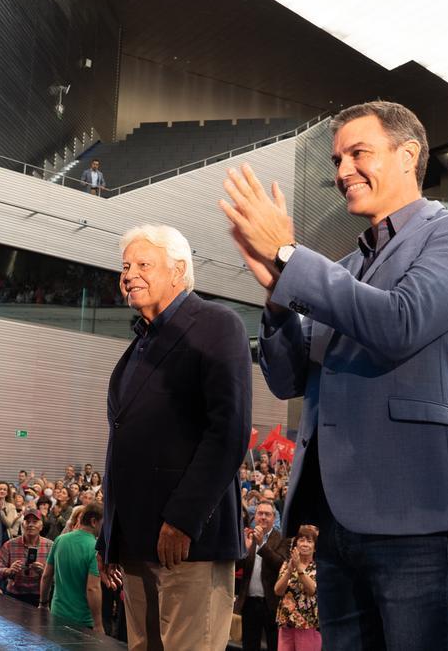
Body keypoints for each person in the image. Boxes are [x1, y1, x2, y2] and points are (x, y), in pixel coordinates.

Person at [221, 100, 448, 649]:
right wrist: (277, 298)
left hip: (423, 515)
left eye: (358, 153)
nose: (342, 170)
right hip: (337, 521)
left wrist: (288, 253)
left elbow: (400, 322)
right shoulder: (342, 271)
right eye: (337, 159)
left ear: (409, 156)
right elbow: (289, 381)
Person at [96, 224, 252, 651]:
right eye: (125, 267)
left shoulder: (216, 325)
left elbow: (230, 430)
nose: (128, 274)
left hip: (187, 545)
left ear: (179, 271)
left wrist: (184, 518)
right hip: (134, 543)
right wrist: (109, 534)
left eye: (143, 264)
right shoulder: (137, 347)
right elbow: (120, 448)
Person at [41, 502, 104, 631]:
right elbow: (93, 588)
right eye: (104, 523)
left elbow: (46, 576)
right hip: (82, 620)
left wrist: (43, 603)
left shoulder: (60, 540)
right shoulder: (96, 549)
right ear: (93, 521)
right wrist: (98, 624)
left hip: (57, 613)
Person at [237, 501, 290, 651]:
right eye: (260, 513)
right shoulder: (247, 536)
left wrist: (261, 545)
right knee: (249, 645)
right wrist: (245, 551)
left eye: (267, 514)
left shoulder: (282, 538)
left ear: (274, 518)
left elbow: (281, 566)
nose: (263, 517)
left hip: (271, 604)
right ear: (255, 517)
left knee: (273, 646)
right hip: (249, 603)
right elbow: (235, 567)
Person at [0, 509, 53, 606]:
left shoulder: (50, 546)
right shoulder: (10, 545)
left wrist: (45, 572)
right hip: (14, 596)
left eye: (35, 522)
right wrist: (9, 570)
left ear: (41, 526)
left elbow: (58, 576)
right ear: (22, 525)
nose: (30, 525)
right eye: (27, 521)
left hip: (40, 597)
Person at [274, 525, 320, 651]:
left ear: (315, 548)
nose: (305, 544)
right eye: (301, 540)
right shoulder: (286, 564)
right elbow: (278, 591)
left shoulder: (318, 567)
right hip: (286, 623)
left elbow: (312, 590)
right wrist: (289, 570)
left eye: (309, 541)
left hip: (308, 625)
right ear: (296, 544)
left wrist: (299, 568)